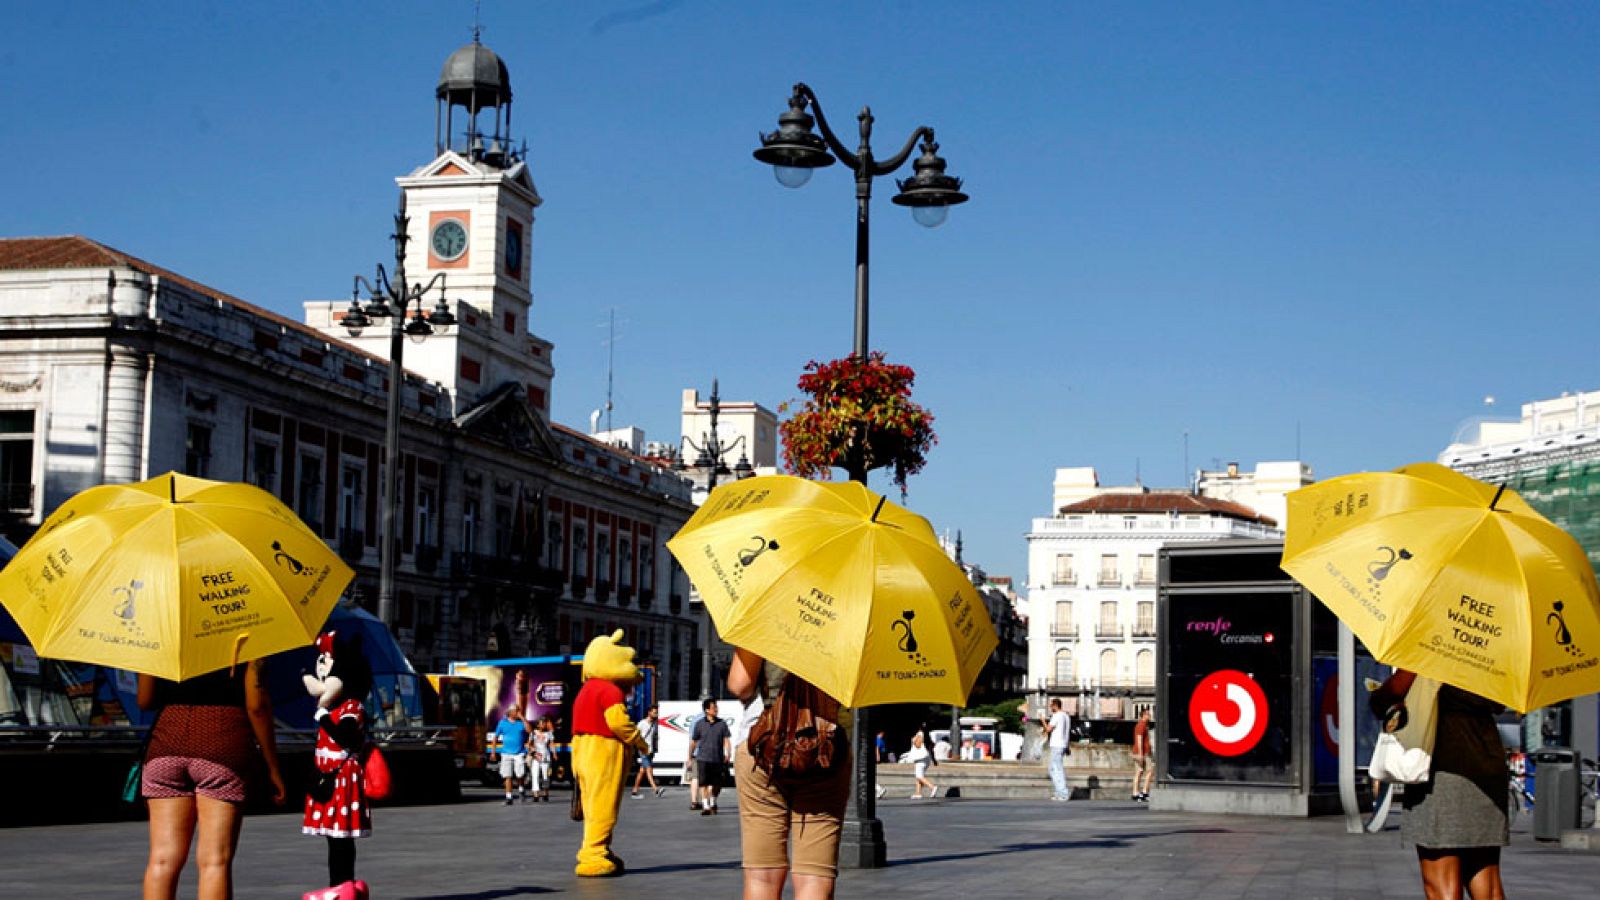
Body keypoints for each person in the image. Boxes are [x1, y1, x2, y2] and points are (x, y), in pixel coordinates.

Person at [138, 661, 286, 900]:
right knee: (214, 861)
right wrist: (272, 766)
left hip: (166, 744)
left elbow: (145, 701)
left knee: (162, 859)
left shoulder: (163, 630)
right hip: (222, 744)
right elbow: (256, 705)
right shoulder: (245, 631)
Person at [1370, 670, 1508, 900]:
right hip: (1487, 763)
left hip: (1439, 767)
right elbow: (1500, 704)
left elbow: (1383, 701)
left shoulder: (1431, 650)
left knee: (1441, 883)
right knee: (1487, 879)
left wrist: (1381, 693)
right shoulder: (1490, 651)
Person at [728, 647, 850, 900]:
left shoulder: (765, 613)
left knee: (762, 875)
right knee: (815, 876)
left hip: (764, 745)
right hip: (826, 748)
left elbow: (740, 685)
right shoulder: (860, 620)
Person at [688, 698, 732, 815]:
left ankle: (713, 800)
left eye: (716, 707)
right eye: (714, 708)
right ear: (707, 710)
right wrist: (689, 756)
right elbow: (694, 741)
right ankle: (706, 806)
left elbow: (726, 739)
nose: (716, 710)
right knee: (703, 783)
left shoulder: (722, 724)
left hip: (717, 758)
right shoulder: (699, 724)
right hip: (702, 758)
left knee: (717, 784)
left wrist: (728, 752)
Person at [492, 705, 531, 805]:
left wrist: (522, 718)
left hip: (519, 752)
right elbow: (495, 737)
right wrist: (493, 752)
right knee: (507, 775)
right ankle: (509, 797)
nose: (518, 712)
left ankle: (521, 789)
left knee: (520, 774)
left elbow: (529, 731)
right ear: (510, 712)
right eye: (516, 711)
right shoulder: (502, 723)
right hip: (506, 753)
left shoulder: (520, 723)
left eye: (519, 710)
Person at [631, 704, 667, 798]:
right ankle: (656, 790)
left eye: (657, 713)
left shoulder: (653, 724)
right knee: (649, 769)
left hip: (650, 751)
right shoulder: (642, 723)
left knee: (642, 771)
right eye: (654, 713)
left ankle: (634, 790)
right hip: (643, 750)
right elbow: (635, 735)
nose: (656, 714)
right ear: (649, 712)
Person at [1044, 698, 1070, 802]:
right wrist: (1067, 746)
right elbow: (1067, 731)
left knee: (1057, 769)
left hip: (1057, 745)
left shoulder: (1057, 716)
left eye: (1051, 706)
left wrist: (1042, 720)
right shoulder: (1066, 716)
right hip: (1062, 744)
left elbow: (1048, 729)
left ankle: (1063, 793)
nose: (1050, 708)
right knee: (1053, 769)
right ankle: (1059, 791)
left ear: (1055, 705)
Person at [1131, 708, 1153, 802]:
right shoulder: (1141, 725)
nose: (1150, 716)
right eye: (1148, 714)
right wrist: (1140, 754)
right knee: (1146, 771)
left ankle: (1139, 792)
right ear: (1144, 715)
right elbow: (1139, 740)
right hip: (1143, 753)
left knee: (1141, 771)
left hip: (1144, 752)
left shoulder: (1144, 725)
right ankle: (1140, 792)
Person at [906, 732, 938, 799]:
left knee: (919, 776)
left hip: (920, 759)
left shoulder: (920, 734)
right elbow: (931, 748)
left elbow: (918, 745)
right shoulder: (927, 736)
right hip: (926, 759)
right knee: (919, 777)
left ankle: (932, 787)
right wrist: (934, 760)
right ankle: (918, 793)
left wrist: (913, 741)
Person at [530, 716, 553, 802]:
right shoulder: (533, 733)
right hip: (536, 756)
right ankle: (536, 794)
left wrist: (554, 753)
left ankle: (545, 792)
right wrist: (533, 753)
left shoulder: (549, 734)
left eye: (544, 723)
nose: (543, 725)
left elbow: (551, 744)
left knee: (545, 775)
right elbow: (530, 744)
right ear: (538, 725)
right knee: (535, 774)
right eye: (542, 723)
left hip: (545, 756)